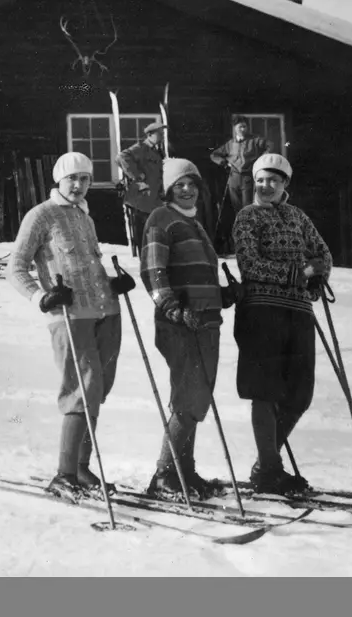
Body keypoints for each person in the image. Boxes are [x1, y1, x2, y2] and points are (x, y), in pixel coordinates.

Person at [4, 152, 136, 502]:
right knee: (82, 389)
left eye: (85, 178)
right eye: (71, 178)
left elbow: (88, 267)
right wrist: (41, 297)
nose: (78, 185)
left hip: (106, 311)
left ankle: (81, 467)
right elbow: (14, 268)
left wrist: (113, 283)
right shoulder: (41, 215)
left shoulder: (84, 216)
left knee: (98, 389)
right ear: (58, 180)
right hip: (70, 315)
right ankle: (64, 473)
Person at [231, 153, 332, 496]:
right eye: (260, 180)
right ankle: (270, 469)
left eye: (273, 180)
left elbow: (323, 254)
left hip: (298, 312)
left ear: (285, 183)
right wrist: (299, 274)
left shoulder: (298, 216)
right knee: (265, 390)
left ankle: (265, 464)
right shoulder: (247, 216)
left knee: (300, 394)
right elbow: (250, 264)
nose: (265, 186)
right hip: (261, 312)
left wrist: (316, 278)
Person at [140, 158, 238, 501]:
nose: (187, 189)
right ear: (168, 189)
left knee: (198, 397)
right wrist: (173, 309)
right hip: (180, 323)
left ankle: (185, 471)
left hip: (207, 322)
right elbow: (153, 271)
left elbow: (198, 275)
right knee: (188, 396)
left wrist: (224, 295)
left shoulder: (193, 223)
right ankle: (166, 474)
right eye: (179, 184)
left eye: (192, 184)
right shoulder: (161, 218)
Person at [210, 115, 271, 250]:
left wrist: (261, 159)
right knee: (237, 210)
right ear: (235, 128)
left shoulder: (254, 141)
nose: (243, 129)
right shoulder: (230, 144)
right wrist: (224, 163)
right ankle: (241, 242)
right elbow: (214, 155)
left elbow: (268, 146)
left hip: (247, 179)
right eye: (240, 127)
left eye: (244, 126)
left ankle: (252, 242)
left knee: (248, 209)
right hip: (233, 179)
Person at [116, 121, 166, 257]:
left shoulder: (157, 150)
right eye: (159, 134)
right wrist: (137, 175)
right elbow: (121, 157)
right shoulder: (141, 147)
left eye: (162, 133)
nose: (162, 136)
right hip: (141, 200)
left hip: (154, 199)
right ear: (149, 135)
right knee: (142, 235)